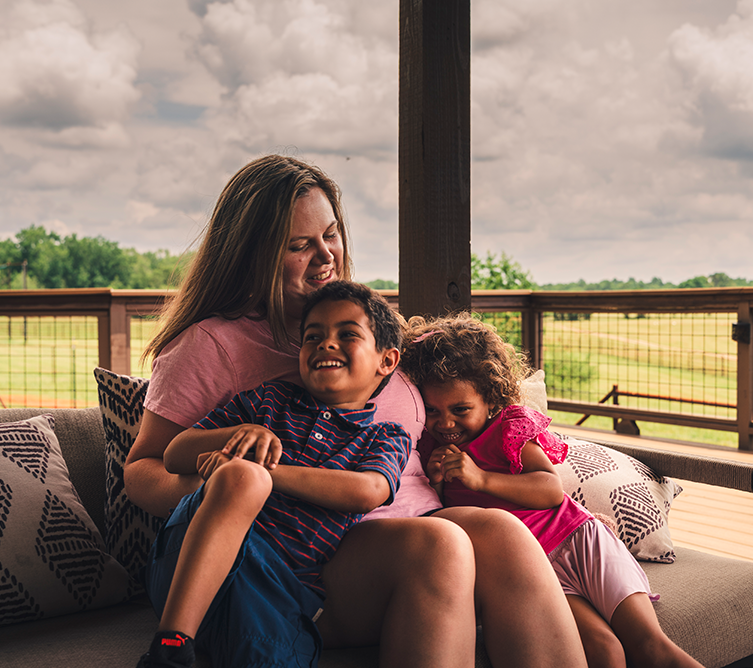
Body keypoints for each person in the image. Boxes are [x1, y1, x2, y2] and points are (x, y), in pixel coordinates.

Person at [124, 154, 585, 668]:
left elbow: (473, 403)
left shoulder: (371, 331)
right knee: (442, 545)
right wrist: (236, 483)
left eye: (331, 235)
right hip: (298, 557)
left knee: (504, 534)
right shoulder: (212, 346)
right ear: (253, 255)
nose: (326, 257)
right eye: (300, 245)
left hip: (400, 523)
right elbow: (146, 470)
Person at [399, 314, 705, 668]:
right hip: (536, 568)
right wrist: (437, 479)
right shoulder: (428, 447)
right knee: (604, 650)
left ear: (489, 399)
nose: (446, 423)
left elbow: (549, 489)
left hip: (580, 542)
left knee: (650, 647)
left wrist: (480, 478)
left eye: (460, 409)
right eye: (433, 411)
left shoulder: (506, 430)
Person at [138, 282, 412, 667]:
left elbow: (368, 490)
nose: (326, 344)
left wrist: (267, 470)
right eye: (312, 336)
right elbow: (173, 454)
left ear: (387, 360)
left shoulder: (384, 436)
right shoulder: (267, 401)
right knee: (242, 480)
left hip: (278, 591)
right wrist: (235, 438)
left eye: (347, 334)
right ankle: (170, 647)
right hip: (187, 563)